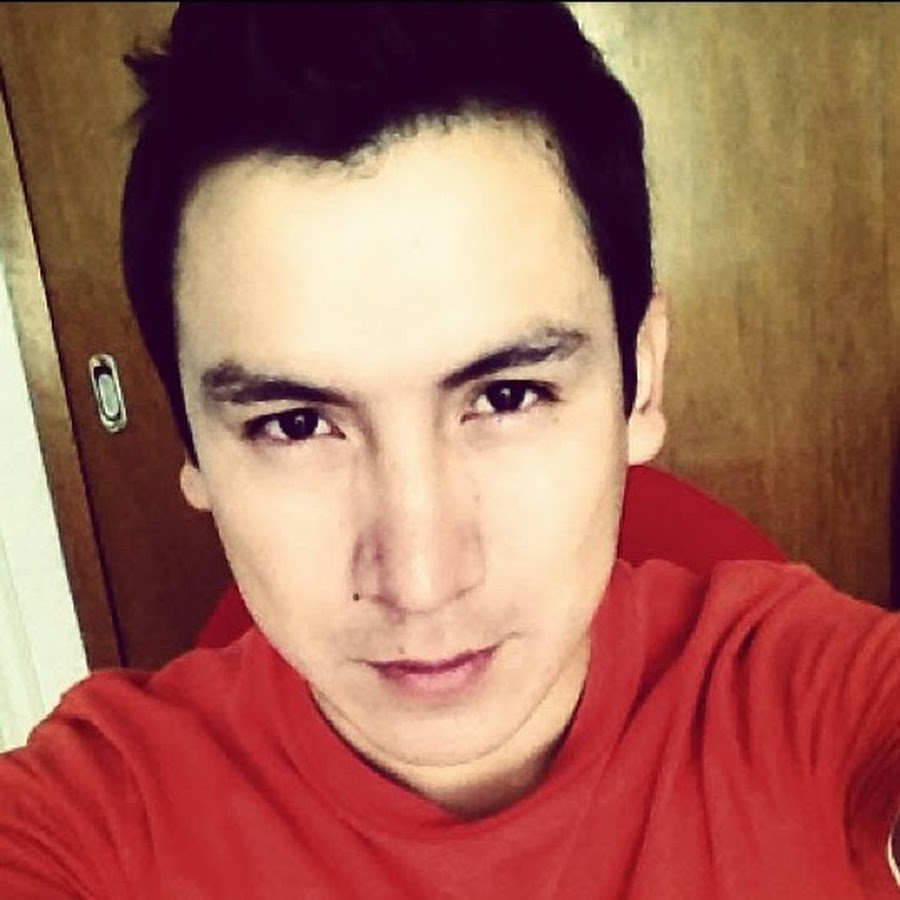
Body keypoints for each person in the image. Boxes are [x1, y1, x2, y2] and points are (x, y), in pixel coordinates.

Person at [1, 4, 897, 897]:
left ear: (643, 381)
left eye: (507, 396)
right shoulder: (98, 818)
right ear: (192, 444)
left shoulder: (813, 703)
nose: (421, 581)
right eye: (296, 423)